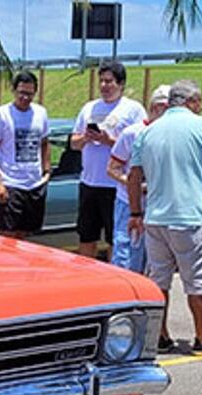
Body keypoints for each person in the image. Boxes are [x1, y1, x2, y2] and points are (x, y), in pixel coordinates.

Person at [128, 80, 202, 354]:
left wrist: (136, 212)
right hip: (189, 217)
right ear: (192, 102)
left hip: (156, 218)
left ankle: (161, 336)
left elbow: (134, 175)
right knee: (197, 279)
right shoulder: (201, 125)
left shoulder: (149, 132)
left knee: (159, 279)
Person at [70, 61, 146, 258]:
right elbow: (73, 143)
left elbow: (139, 147)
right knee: (87, 236)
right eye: (101, 81)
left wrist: (109, 141)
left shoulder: (133, 110)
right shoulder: (89, 108)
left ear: (120, 84)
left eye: (109, 81)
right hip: (89, 182)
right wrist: (86, 138)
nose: (104, 86)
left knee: (115, 238)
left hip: (115, 186)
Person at [106, 84, 171, 272]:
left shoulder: (169, 135)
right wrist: (134, 184)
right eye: (166, 108)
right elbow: (112, 168)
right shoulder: (132, 133)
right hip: (128, 203)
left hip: (157, 205)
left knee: (152, 257)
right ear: (155, 107)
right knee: (125, 254)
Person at [0, 71, 50, 240]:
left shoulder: (40, 113)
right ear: (14, 91)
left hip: (34, 185)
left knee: (26, 236)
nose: (25, 97)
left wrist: (46, 170)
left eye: (29, 93)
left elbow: (44, 142)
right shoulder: (2, 114)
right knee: (8, 237)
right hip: (10, 185)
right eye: (21, 93)